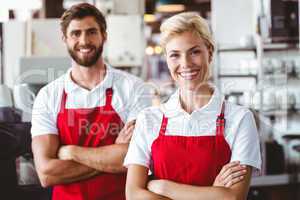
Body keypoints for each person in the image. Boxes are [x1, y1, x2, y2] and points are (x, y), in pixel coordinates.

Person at [125, 12, 261, 200]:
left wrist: (163, 187)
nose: (185, 64)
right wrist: (213, 193)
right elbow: (133, 194)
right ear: (166, 59)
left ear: (210, 52)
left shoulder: (239, 119)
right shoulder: (149, 118)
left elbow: (233, 198)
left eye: (194, 52)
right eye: (175, 55)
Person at [31, 3, 152, 200]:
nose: (84, 40)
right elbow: (46, 173)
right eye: (76, 34)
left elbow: (135, 159)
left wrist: (70, 151)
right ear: (65, 39)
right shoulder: (48, 96)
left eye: (91, 32)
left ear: (104, 35)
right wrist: (111, 156)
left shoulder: (133, 88)